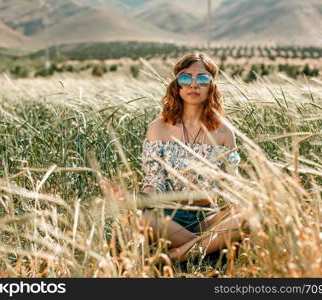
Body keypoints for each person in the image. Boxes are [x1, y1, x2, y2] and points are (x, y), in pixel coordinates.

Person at [101, 52, 245, 262]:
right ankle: (207, 249)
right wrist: (135, 200)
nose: (193, 85)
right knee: (138, 219)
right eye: (186, 78)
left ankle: (174, 256)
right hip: (169, 219)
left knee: (251, 216)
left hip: (208, 217)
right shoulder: (158, 128)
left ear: (211, 86)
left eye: (202, 79)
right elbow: (154, 182)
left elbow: (233, 184)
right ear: (176, 84)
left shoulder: (224, 132)